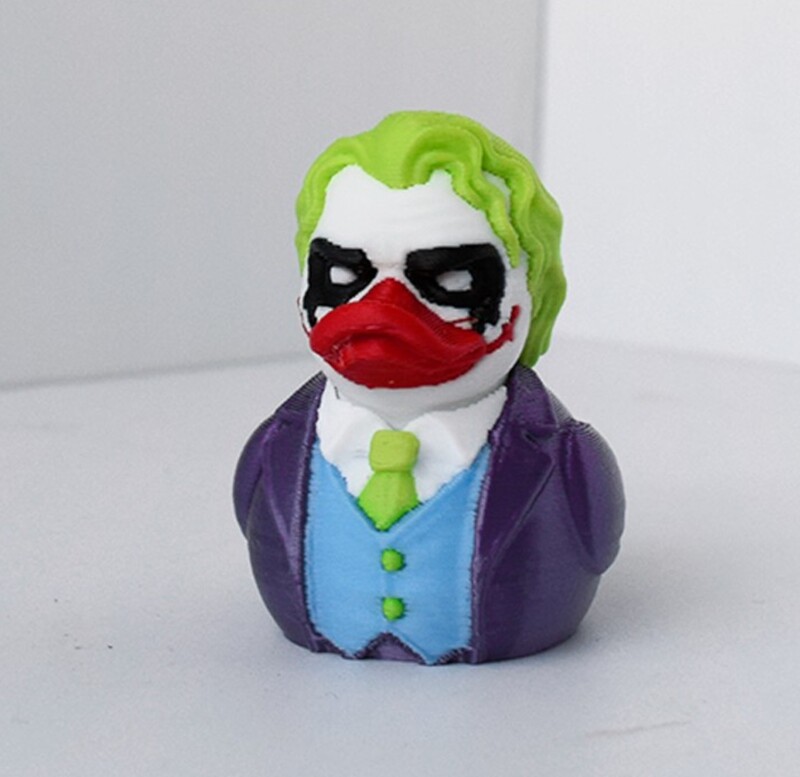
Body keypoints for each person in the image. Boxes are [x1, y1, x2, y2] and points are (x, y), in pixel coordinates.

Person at [234, 111, 625, 664]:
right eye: (343, 275)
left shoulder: (567, 460)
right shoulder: (275, 448)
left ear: (529, 296)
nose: (383, 310)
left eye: (451, 279)